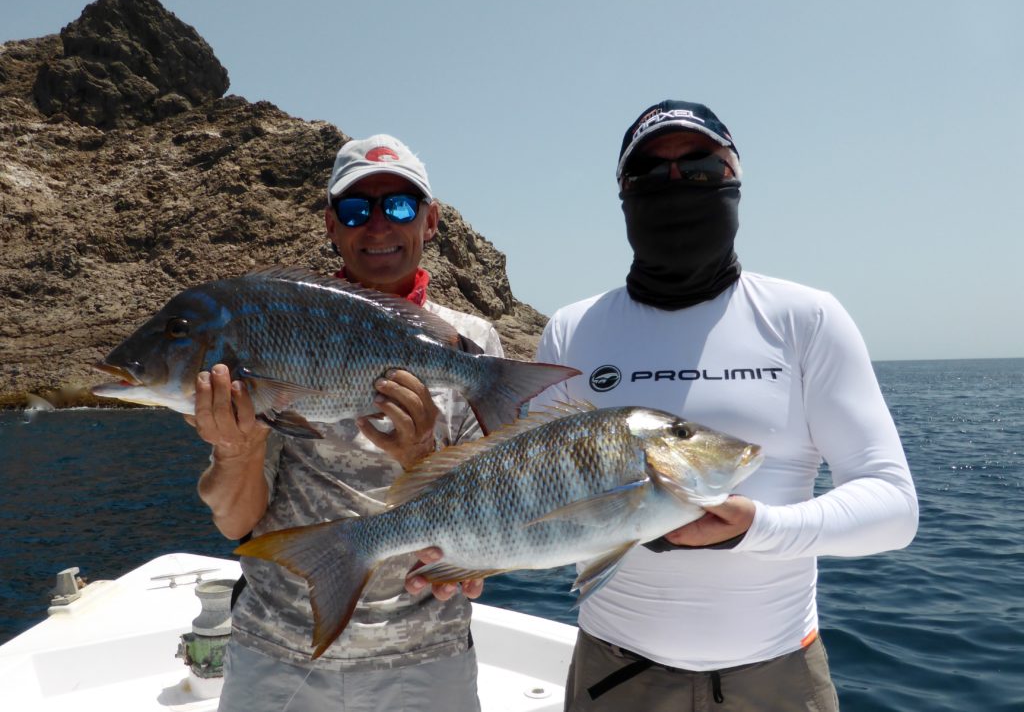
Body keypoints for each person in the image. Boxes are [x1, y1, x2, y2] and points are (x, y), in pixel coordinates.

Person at [531, 100, 919, 711]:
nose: (677, 185)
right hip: (614, 673)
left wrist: (756, 530)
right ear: (624, 195)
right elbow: (528, 492)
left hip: (778, 676)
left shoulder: (806, 318)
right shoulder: (572, 330)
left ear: (734, 180)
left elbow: (895, 509)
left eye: (702, 168)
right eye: (652, 175)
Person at [188, 134, 499, 711]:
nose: (377, 226)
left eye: (399, 206)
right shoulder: (280, 326)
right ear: (332, 225)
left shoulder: (473, 346)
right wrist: (237, 448)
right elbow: (237, 522)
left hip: (427, 657)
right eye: (357, 210)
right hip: (280, 651)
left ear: (430, 222)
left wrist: (422, 458)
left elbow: (494, 511)